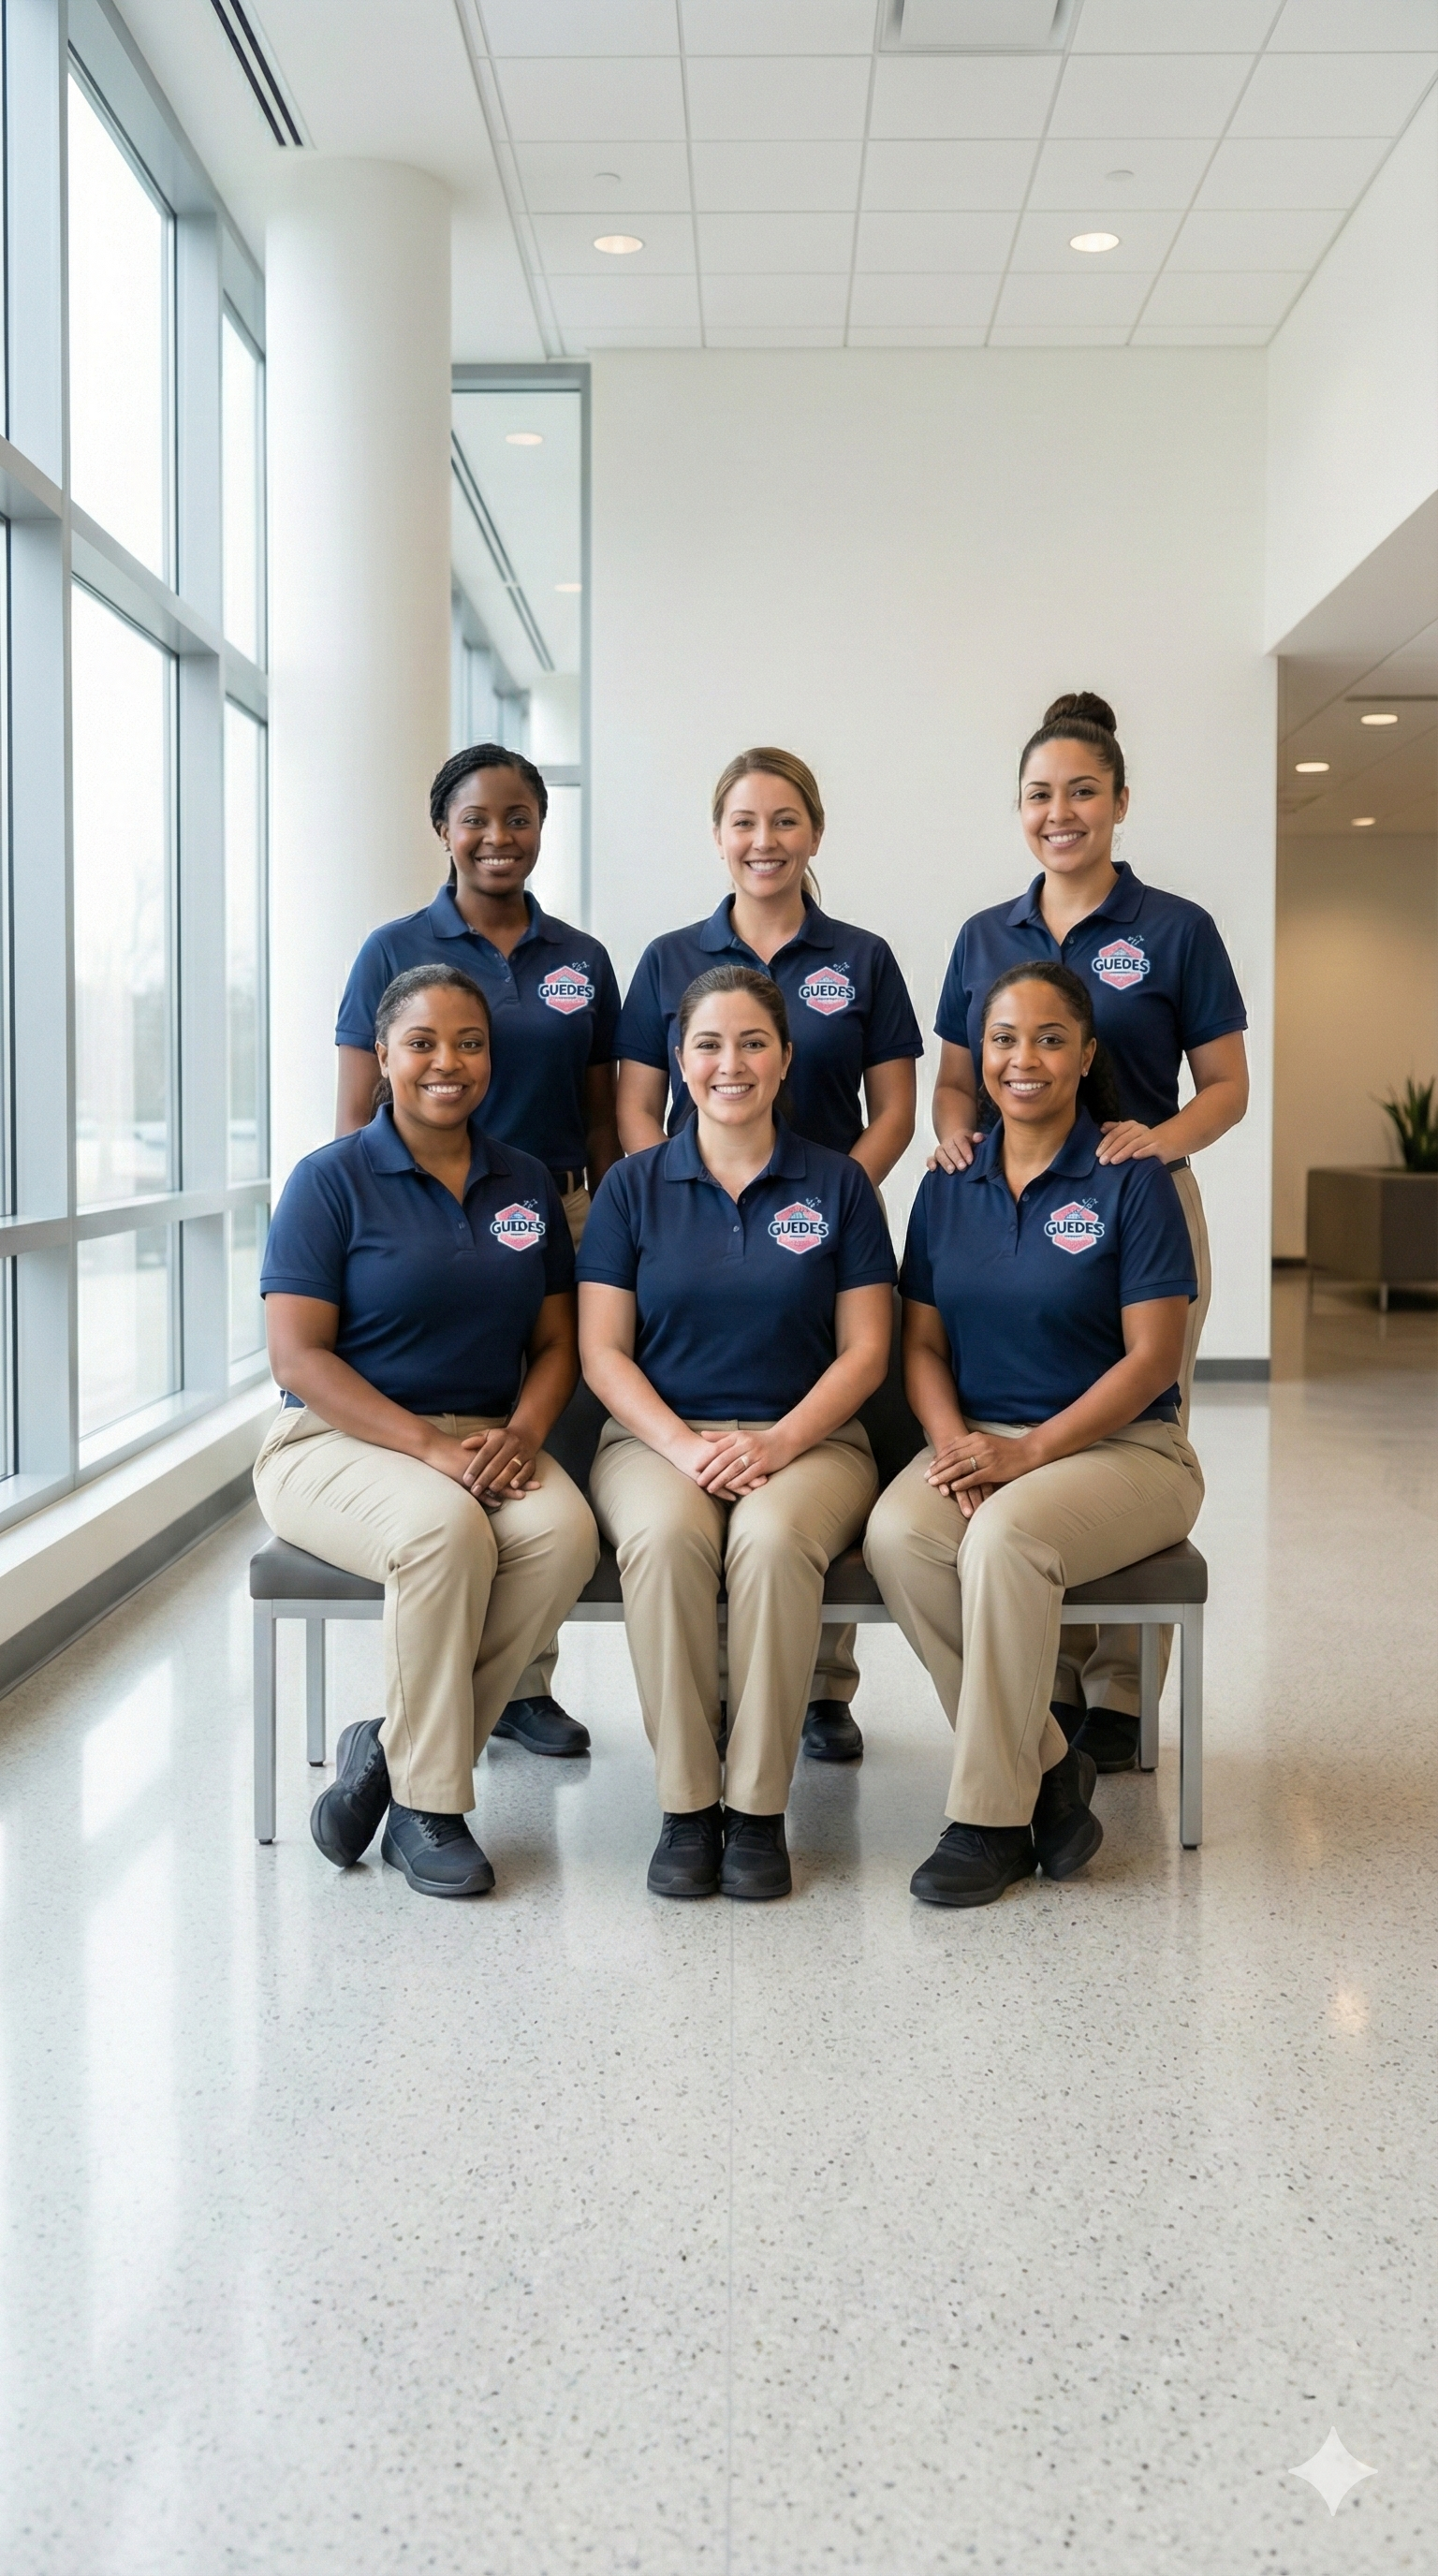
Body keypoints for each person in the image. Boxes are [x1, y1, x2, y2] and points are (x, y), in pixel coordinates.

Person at [929, 693, 1245, 1772]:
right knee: (1022, 1422)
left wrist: (1151, 1145)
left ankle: (1118, 1690)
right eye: (1039, 795)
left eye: (1081, 792)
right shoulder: (985, 936)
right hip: (1015, 1208)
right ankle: (1047, 1681)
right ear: (1018, 808)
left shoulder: (1176, 929)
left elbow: (1228, 1086)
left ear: (1119, 801)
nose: (1059, 813)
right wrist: (954, 1142)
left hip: (1141, 1209)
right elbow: (956, 1082)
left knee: (1128, 1430)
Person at [255, 964, 599, 1899]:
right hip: (333, 1442)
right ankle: (427, 1809)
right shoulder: (330, 1180)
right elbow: (298, 1359)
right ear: (382, 1057)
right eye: (422, 1043)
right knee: (443, 1531)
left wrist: (523, 1432)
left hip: (483, 1438)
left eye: (469, 1043)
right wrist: (430, 1449)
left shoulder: (526, 1181)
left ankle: (389, 1747)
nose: (448, 1061)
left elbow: (557, 1342)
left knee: (564, 1534)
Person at [865, 961, 1204, 1908]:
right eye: (1004, 1039)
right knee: (899, 1534)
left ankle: (989, 1820)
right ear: (980, 1057)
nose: (1025, 1058)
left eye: (1051, 1038)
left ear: (1087, 1054)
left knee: (1005, 1540)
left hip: (1126, 1452)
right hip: (980, 1440)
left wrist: (1027, 1453)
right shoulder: (949, 1182)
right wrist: (952, 1448)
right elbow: (921, 1345)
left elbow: (1153, 1360)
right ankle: (1051, 1768)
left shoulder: (1131, 1176)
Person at [615, 748, 922, 1766]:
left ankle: (818, 1689)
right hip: (694, 1216)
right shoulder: (669, 957)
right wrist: (678, 1201)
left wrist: (828, 1208)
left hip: (820, 1230)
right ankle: (714, 1706)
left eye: (785, 820)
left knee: (799, 1484)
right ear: (718, 837)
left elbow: (895, 1110)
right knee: (689, 1510)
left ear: (814, 833)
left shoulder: (862, 957)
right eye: (744, 821)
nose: (764, 840)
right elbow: (635, 1104)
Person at [580, 966, 896, 1902]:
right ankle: (686, 1806)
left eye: (754, 1042)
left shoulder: (839, 1185)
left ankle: (757, 1810)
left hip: (812, 1442)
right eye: (709, 1044)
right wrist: (684, 1448)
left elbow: (866, 1352)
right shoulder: (631, 1187)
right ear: (679, 1061)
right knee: (665, 1538)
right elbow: (602, 1352)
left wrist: (781, 1443)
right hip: (654, 1440)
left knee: (771, 1540)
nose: (732, 1063)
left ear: (787, 1057)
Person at [333, 744, 621, 1761]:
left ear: (542, 825)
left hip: (557, 1215)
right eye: (476, 818)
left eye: (518, 817)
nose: (498, 837)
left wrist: (616, 1225)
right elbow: (354, 1114)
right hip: (422, 1213)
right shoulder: (392, 948)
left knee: (545, 1445)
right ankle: (441, 1695)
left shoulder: (582, 958)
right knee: (441, 1441)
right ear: (443, 830)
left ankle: (523, 1683)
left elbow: (603, 1116)